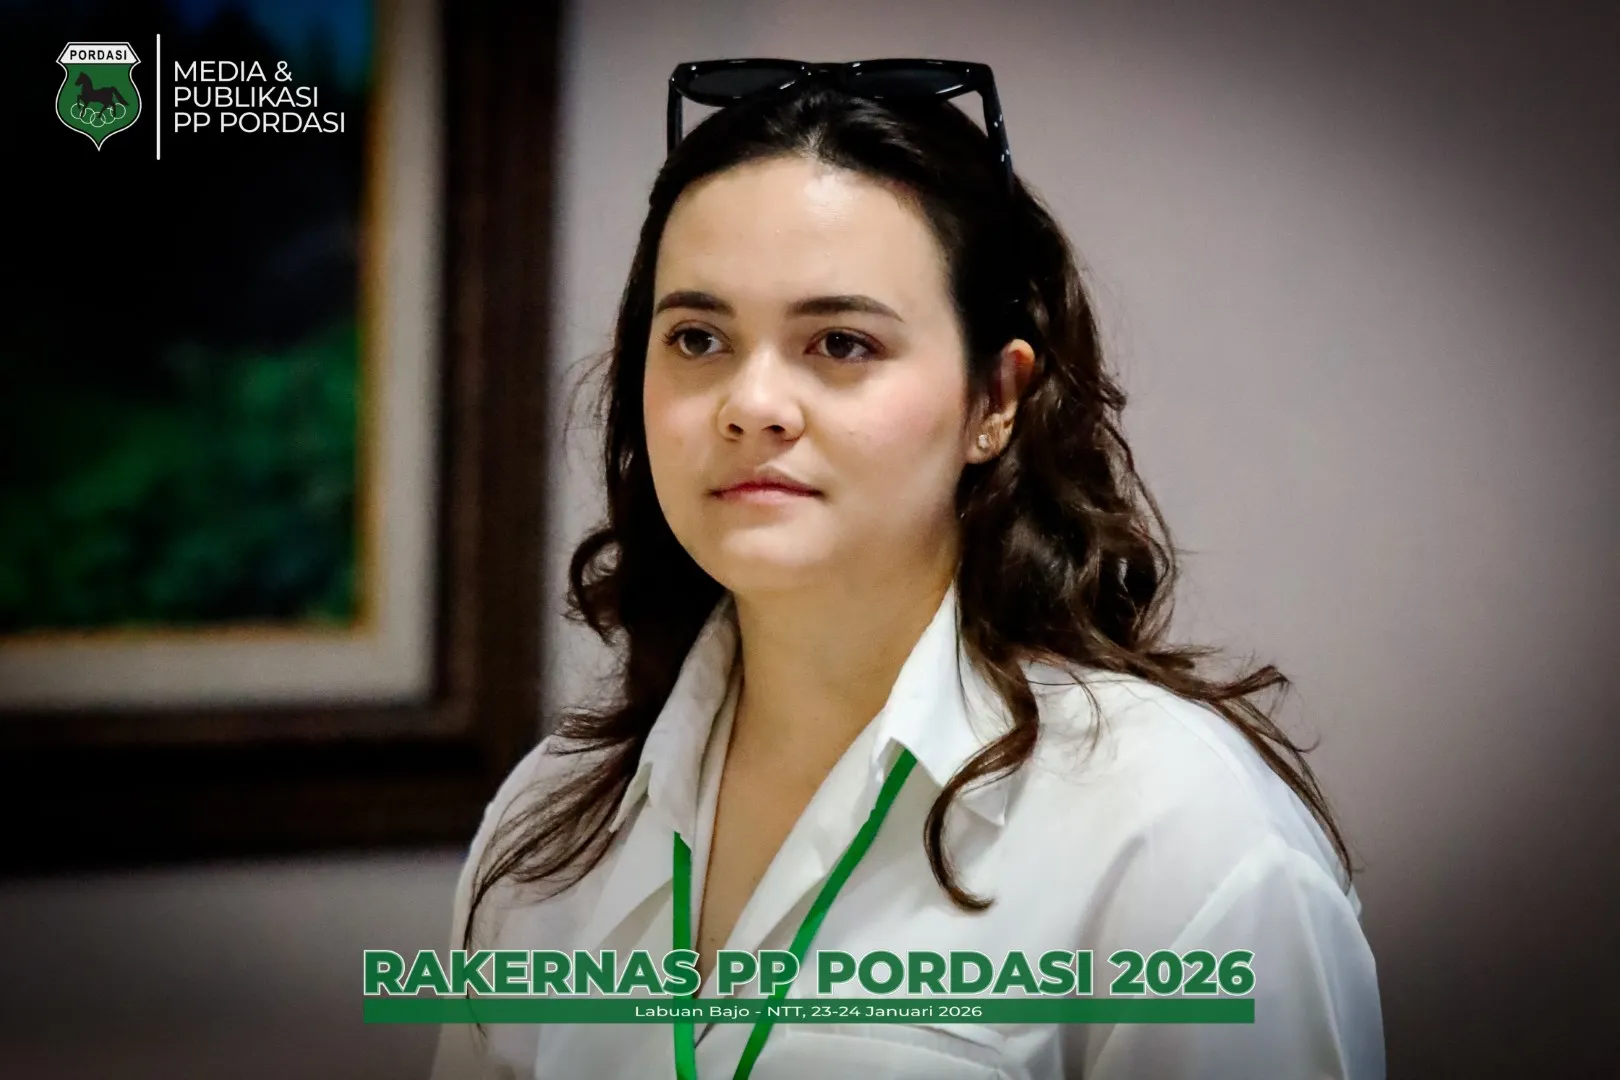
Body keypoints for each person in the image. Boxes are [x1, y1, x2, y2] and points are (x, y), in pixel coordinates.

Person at [430, 58, 1384, 1080]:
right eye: (698, 338)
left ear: (995, 400)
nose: (752, 405)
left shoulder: (1178, 840)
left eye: (841, 343)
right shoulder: (549, 824)